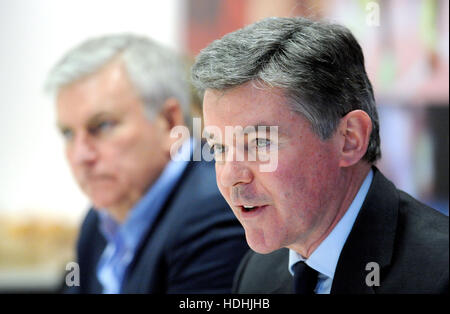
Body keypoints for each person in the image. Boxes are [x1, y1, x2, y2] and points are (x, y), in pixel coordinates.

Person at [191, 17, 449, 294]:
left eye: (260, 143)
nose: (230, 176)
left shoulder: (440, 273)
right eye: (219, 147)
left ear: (349, 139)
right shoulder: (257, 272)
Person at [45, 34, 248, 293]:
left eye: (102, 125)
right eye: (68, 134)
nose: (80, 155)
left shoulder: (213, 212)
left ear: (170, 122)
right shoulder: (100, 218)